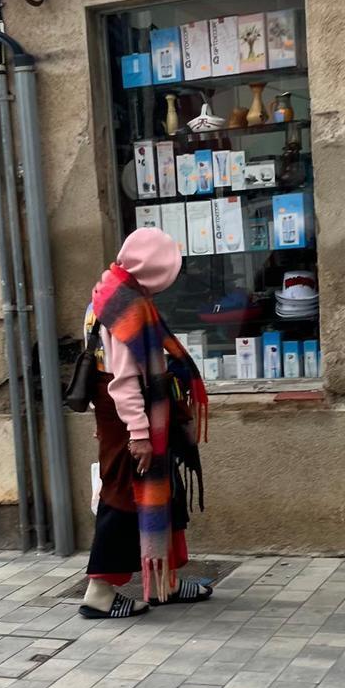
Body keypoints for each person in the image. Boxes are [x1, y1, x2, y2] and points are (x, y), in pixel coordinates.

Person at [80, 228, 211, 619]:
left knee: (160, 493)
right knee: (122, 499)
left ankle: (164, 582)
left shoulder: (108, 290)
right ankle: (99, 594)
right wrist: (138, 434)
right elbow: (122, 380)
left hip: (123, 415)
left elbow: (99, 364)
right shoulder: (127, 306)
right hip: (130, 417)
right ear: (154, 268)